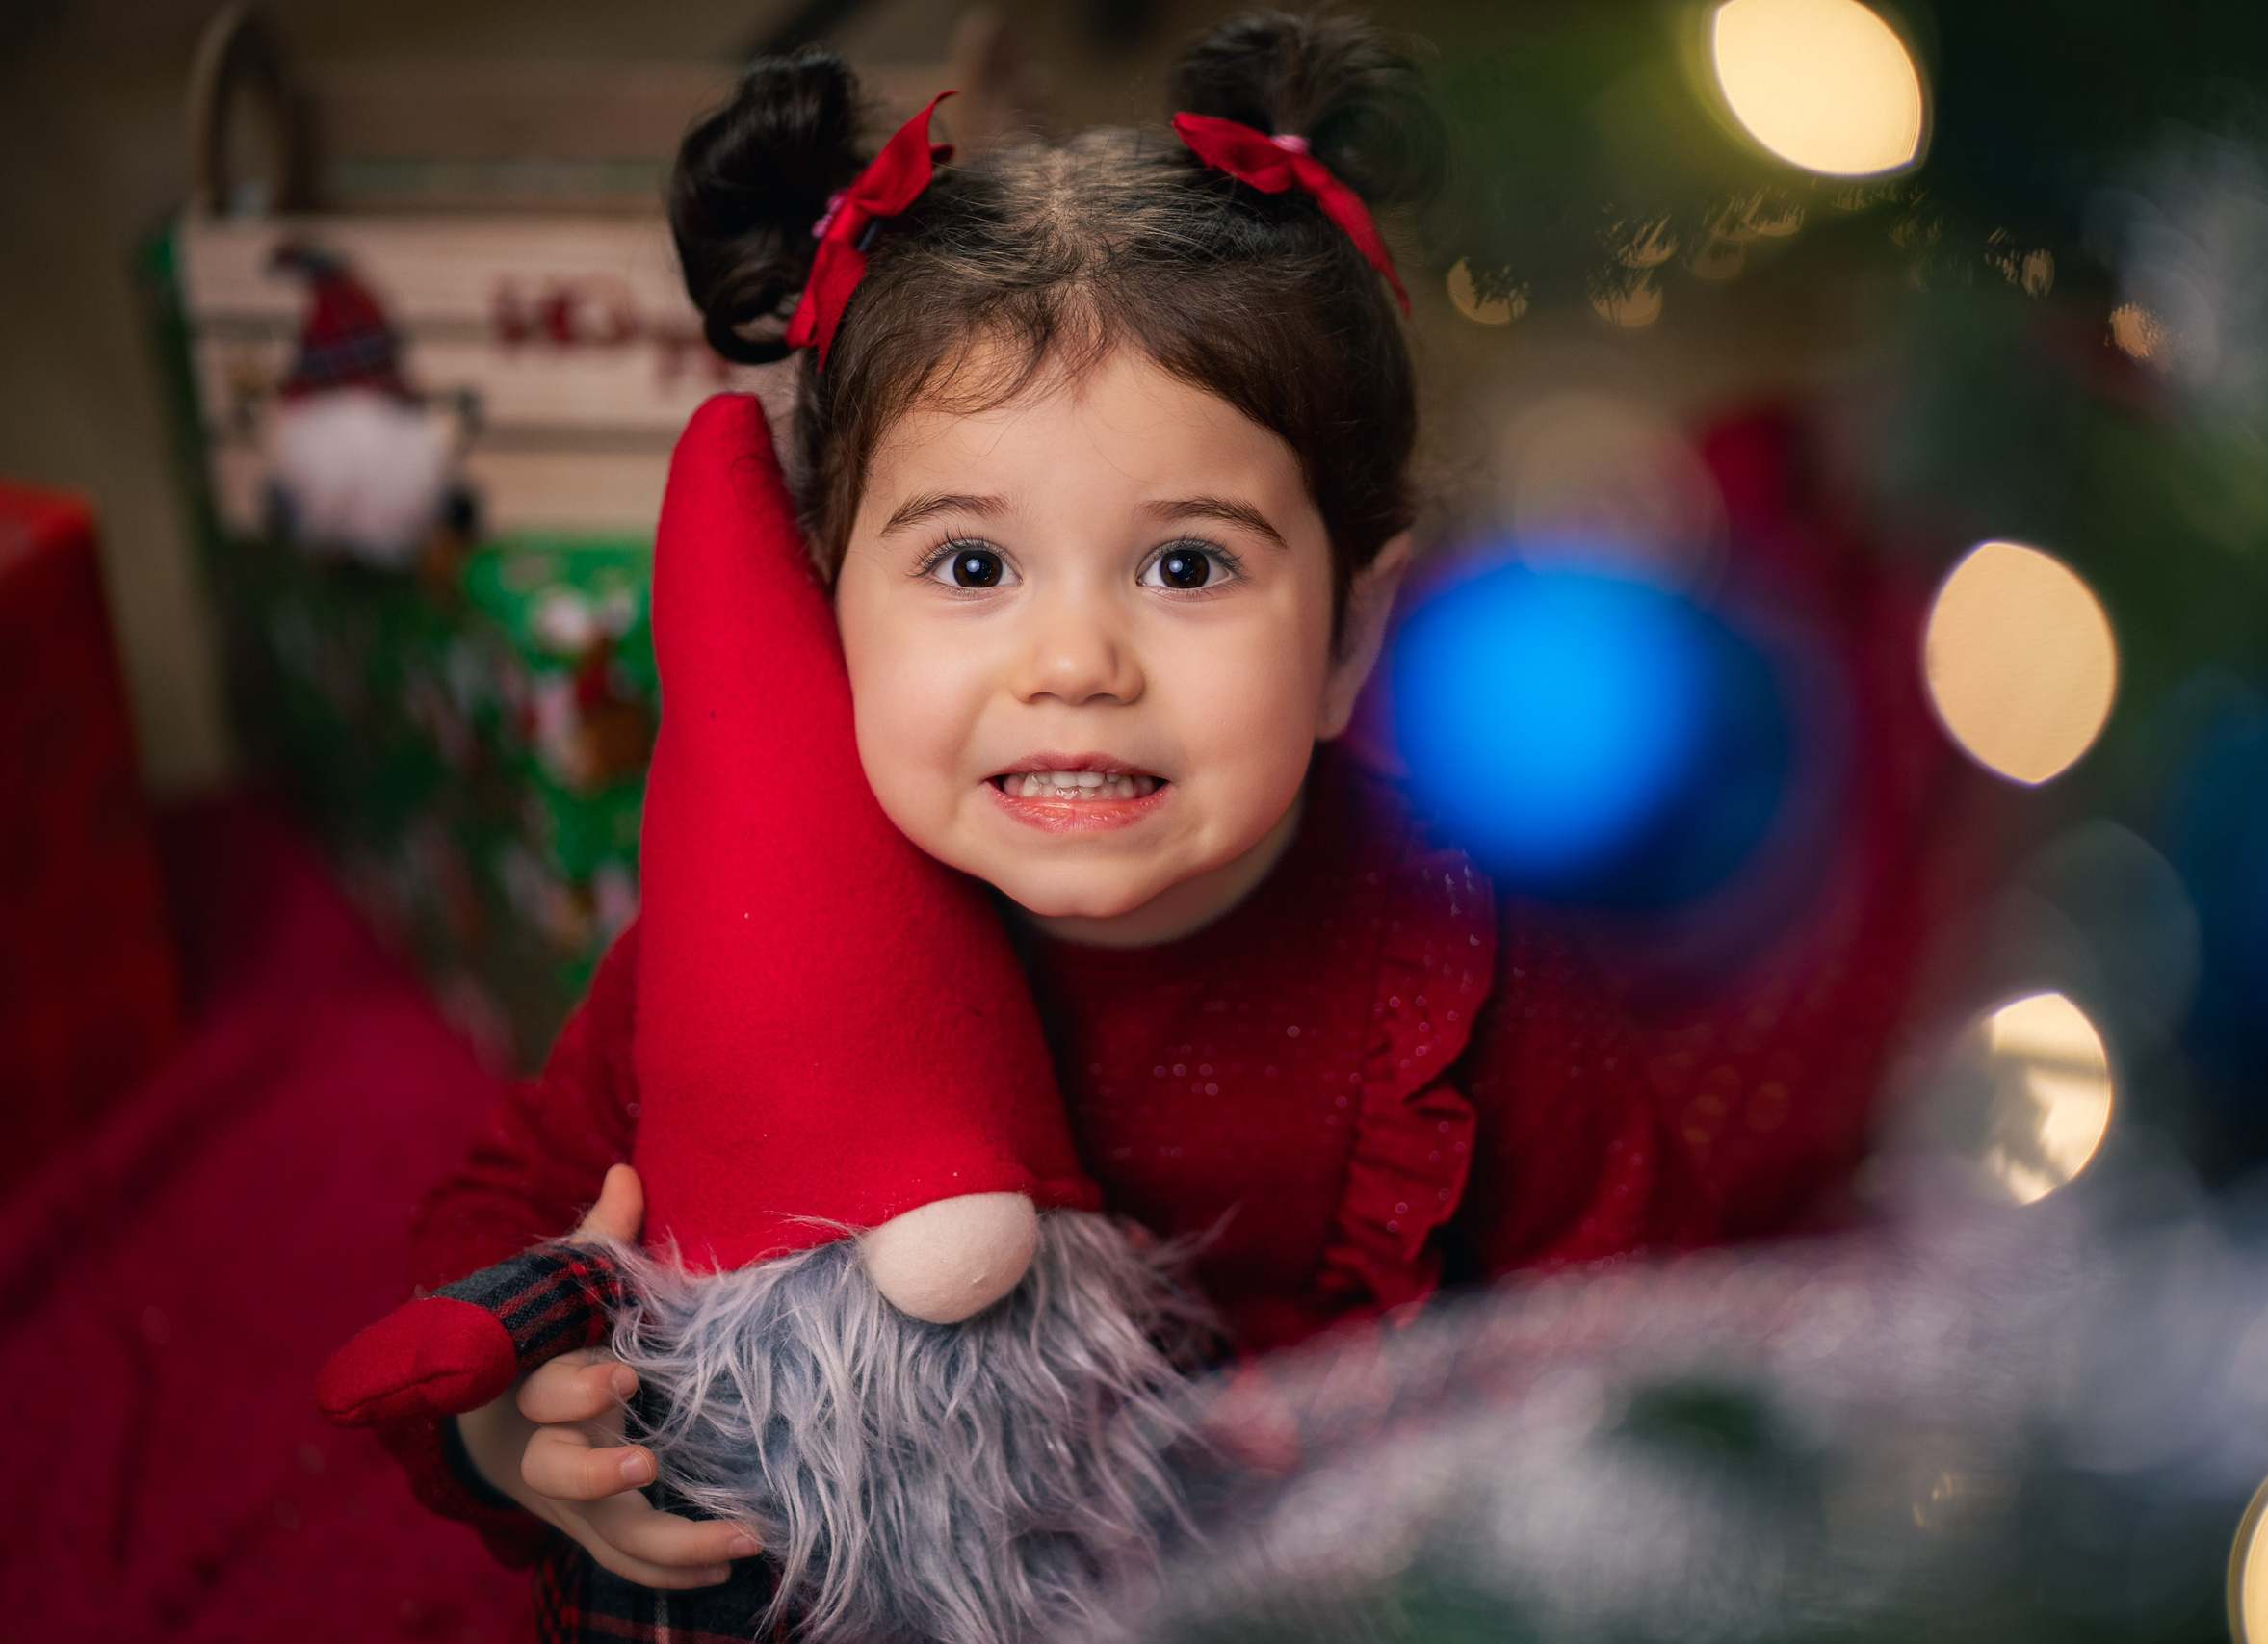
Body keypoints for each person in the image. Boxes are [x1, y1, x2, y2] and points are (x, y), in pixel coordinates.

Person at [374, 13, 1945, 1640]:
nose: (1075, 665)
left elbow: (1634, 1327)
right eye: (971, 568)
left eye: (1187, 566)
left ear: (1348, 636)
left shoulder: (1462, 960)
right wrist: (511, 1424)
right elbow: (510, 1200)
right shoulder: (754, 929)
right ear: (823, 607)